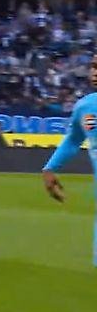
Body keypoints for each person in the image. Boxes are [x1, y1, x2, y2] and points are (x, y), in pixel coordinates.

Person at [40, 53, 97, 262]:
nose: (94, 72)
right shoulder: (85, 107)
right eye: (93, 66)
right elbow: (73, 139)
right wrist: (50, 168)